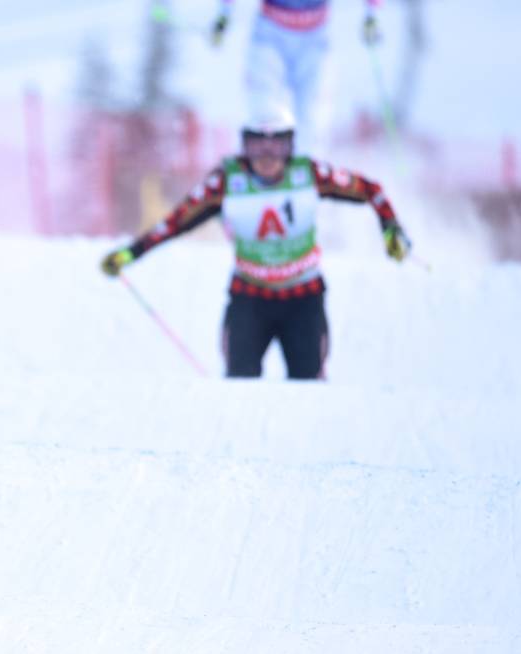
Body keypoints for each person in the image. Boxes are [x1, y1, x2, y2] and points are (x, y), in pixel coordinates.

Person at [100, 108, 410, 379]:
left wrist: (391, 229)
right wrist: (131, 252)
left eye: (277, 145)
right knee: (239, 386)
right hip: (249, 299)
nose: (267, 156)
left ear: (290, 146)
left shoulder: (309, 173)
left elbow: (371, 190)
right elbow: (177, 221)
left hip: (304, 299)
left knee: (309, 390)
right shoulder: (226, 181)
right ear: (244, 145)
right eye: (257, 145)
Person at [211, 0, 383, 154]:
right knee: (265, 110)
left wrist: (371, 15)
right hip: (270, 33)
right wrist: (224, 14)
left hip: (315, 37)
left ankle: (307, 175)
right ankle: (264, 172)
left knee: (313, 118)